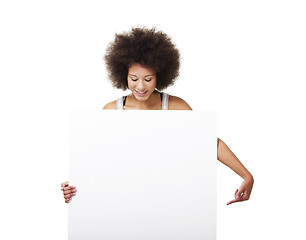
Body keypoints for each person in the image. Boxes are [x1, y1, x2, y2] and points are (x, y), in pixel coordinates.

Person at [61, 27, 254, 205]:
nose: (141, 87)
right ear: (123, 75)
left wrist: (247, 176)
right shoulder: (111, 111)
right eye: (134, 79)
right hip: (123, 204)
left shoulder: (176, 107)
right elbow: (95, 162)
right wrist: (75, 186)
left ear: (159, 76)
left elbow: (210, 143)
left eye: (148, 79)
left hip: (168, 204)